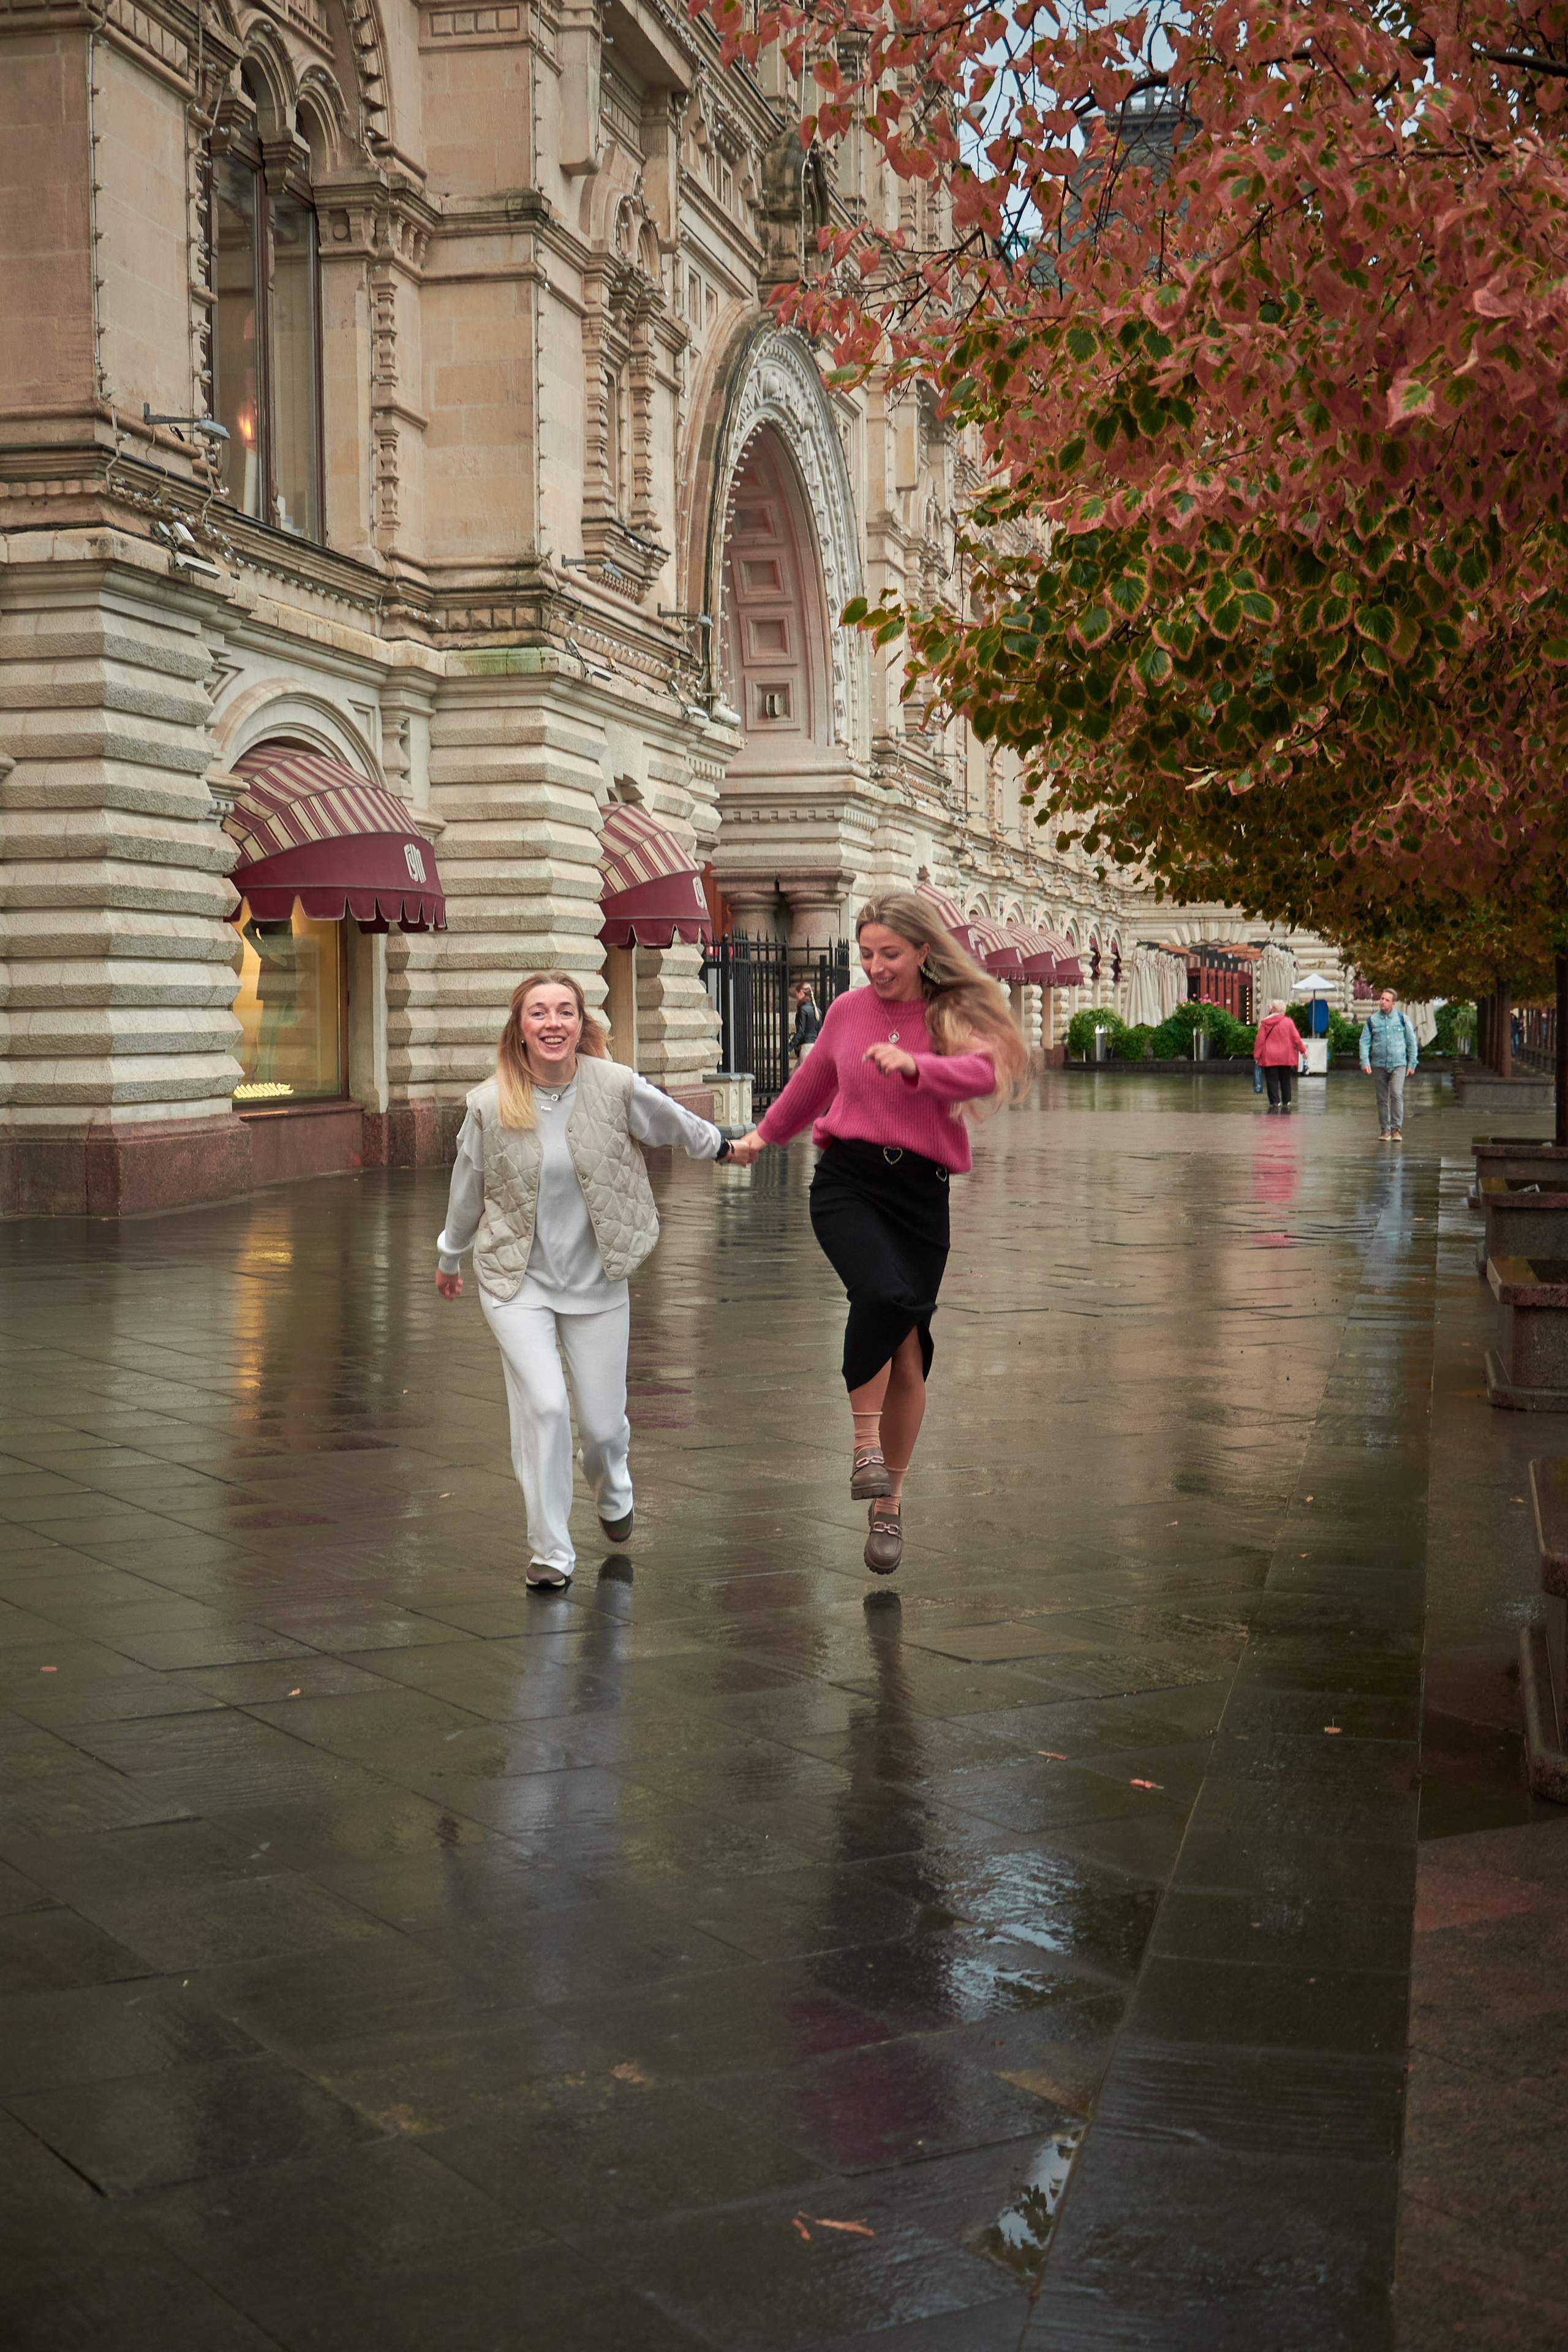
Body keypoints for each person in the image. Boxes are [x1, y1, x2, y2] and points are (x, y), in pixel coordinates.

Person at [727, 894, 1030, 1575]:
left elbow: (983, 1071)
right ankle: (865, 1449)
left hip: (921, 1195)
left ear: (924, 950)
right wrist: (761, 1136)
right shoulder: (846, 1010)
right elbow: (810, 1084)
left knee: (911, 1352)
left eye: (888, 954)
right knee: (881, 1292)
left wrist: (919, 1067)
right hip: (848, 1182)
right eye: (865, 954)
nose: (874, 967)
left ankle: (888, 1502)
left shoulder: (953, 1013)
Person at [435, 972, 733, 1589]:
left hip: (597, 1280)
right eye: (538, 1012)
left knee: (600, 1427)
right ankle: (550, 1552)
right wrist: (449, 1257)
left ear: (580, 1024)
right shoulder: (489, 1103)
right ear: (519, 1028)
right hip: (515, 1281)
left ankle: (612, 1486)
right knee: (543, 1407)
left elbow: (673, 1122)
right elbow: (468, 1191)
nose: (552, 1023)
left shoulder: (613, 1085)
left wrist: (724, 1147)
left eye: (564, 1011)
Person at [1359, 987, 1419, 1141]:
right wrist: (1365, 1061)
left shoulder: (1402, 1019)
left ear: (1394, 1003)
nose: (1383, 1002)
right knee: (1381, 1098)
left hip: (1399, 1064)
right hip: (1379, 1064)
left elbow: (1411, 1042)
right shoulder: (1372, 1021)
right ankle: (1384, 1130)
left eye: (1386, 1000)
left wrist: (1412, 1062)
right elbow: (1364, 1042)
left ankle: (1395, 1130)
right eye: (1382, 999)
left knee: (1396, 1094)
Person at [1253, 998, 1306, 1112]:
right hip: (1285, 1056)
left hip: (1269, 1056)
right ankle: (1286, 1101)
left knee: (1272, 1080)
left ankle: (1275, 1102)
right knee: (1285, 1079)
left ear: (1273, 1010)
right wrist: (1303, 1051)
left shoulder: (1265, 1023)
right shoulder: (1288, 1022)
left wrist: (1257, 1055)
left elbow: (1260, 1040)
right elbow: (1296, 1038)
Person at [791, 980, 822, 1060]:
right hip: (815, 1047)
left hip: (806, 1048)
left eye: (796, 994)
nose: (796, 997)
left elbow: (801, 1032)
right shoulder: (818, 1011)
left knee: (803, 1072)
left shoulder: (803, 1010)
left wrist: (789, 1047)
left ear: (801, 992)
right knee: (795, 1072)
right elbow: (820, 1032)